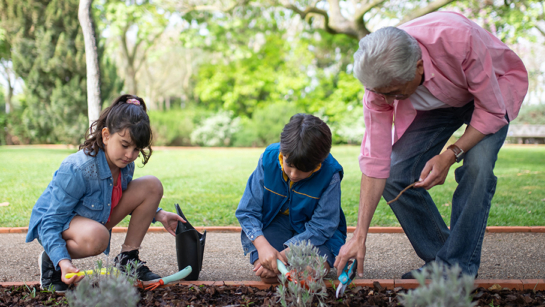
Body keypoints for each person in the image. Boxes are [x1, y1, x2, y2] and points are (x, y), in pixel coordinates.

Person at [334, 11, 528, 279]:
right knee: (395, 171)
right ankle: (444, 262)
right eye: (382, 93)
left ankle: (456, 269)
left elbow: (492, 112)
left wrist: (450, 154)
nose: (386, 99)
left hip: (492, 91)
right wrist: (359, 235)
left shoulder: (458, 38)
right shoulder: (380, 85)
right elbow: (375, 160)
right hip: (439, 104)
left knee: (478, 167)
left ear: (418, 67)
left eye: (394, 93)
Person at [26, 95, 185, 292]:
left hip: (92, 217)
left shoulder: (125, 166)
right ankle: (52, 260)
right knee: (99, 237)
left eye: (137, 149)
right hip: (54, 222)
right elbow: (51, 222)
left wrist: (158, 214)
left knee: (152, 185)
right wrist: (63, 261)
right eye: (125, 145)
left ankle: (128, 261)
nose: (130, 155)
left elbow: (117, 197)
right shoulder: (78, 168)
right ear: (106, 135)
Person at [236, 113, 347, 283]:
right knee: (269, 274)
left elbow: (323, 226)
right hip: (276, 224)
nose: (294, 174)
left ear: (319, 163)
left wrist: (283, 255)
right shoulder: (268, 158)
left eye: (303, 170)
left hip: (316, 235)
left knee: (308, 274)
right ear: (282, 154)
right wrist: (263, 247)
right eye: (289, 165)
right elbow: (247, 211)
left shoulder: (330, 173)